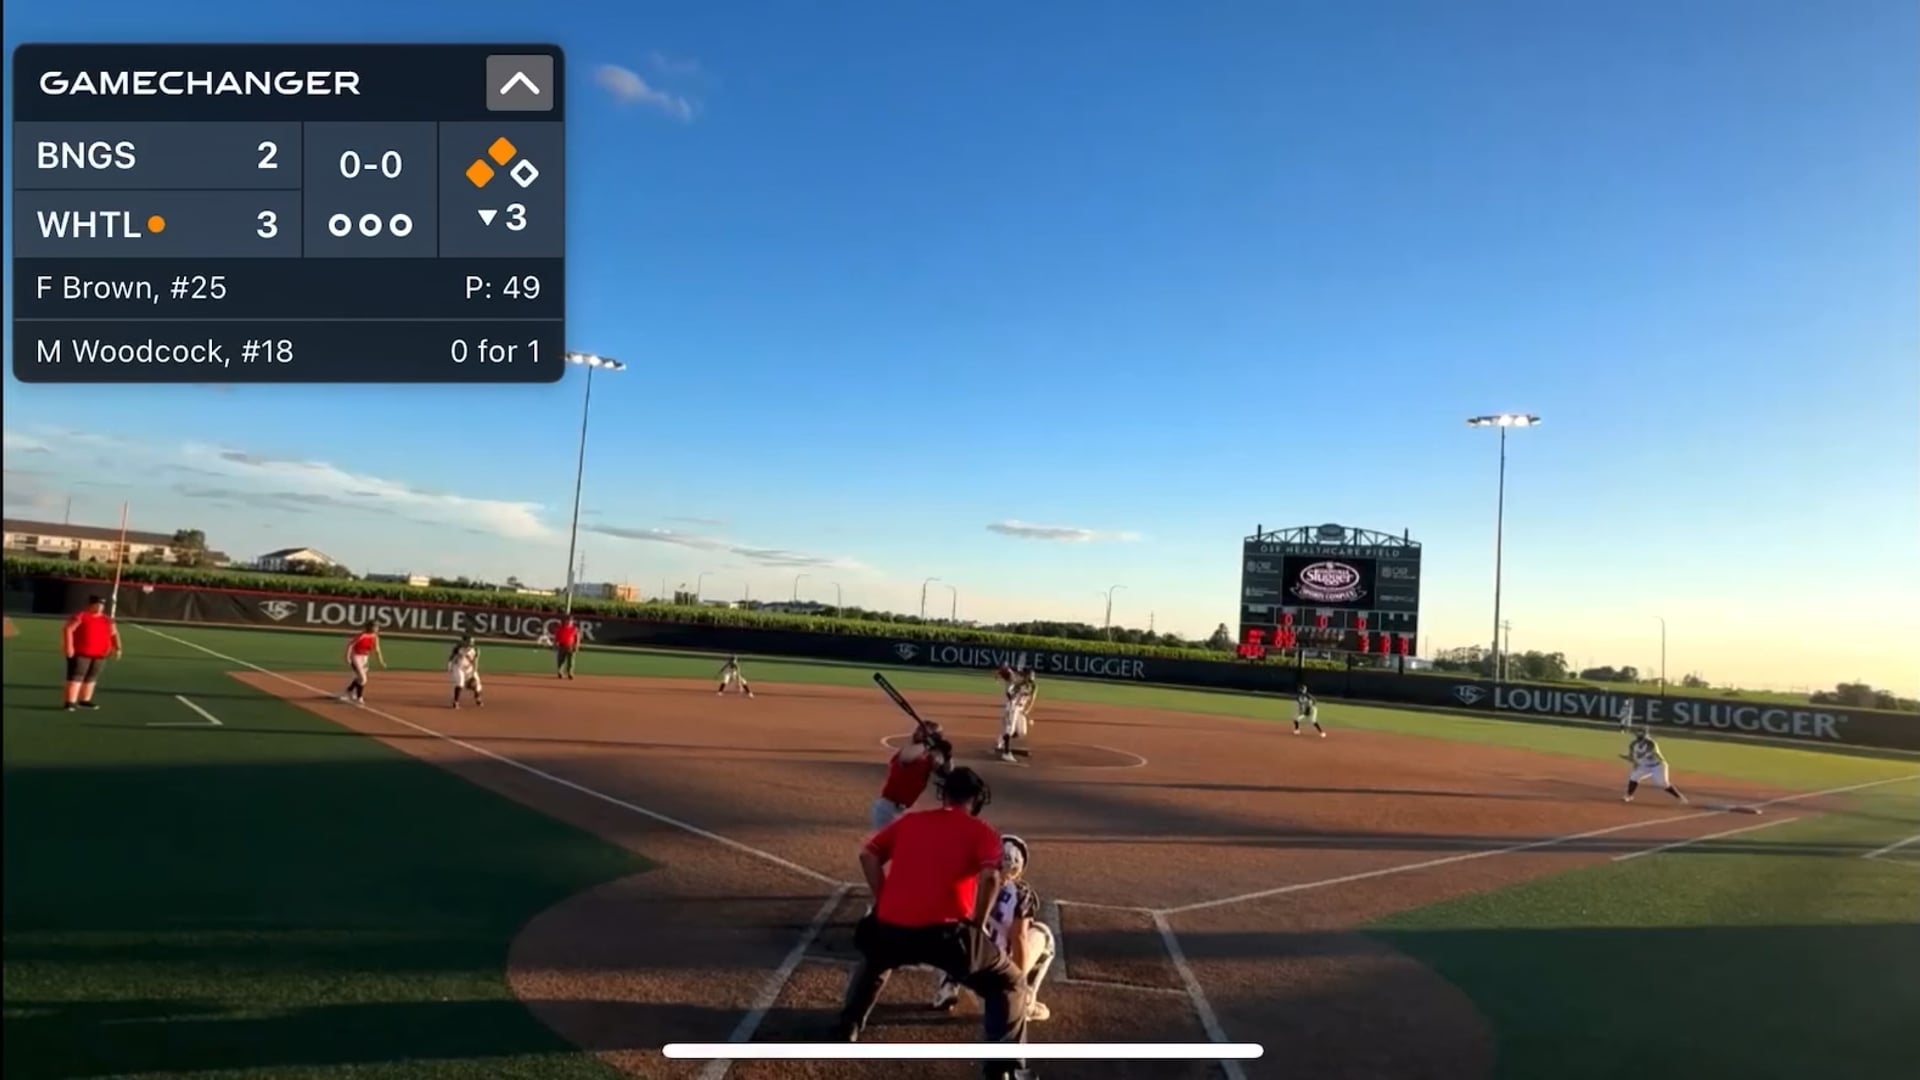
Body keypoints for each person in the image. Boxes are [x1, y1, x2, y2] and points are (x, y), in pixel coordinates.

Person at [835, 767, 1034, 1080]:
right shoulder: (982, 831)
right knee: (1009, 984)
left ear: (944, 794)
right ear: (976, 799)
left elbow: (867, 856)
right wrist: (977, 924)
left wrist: (884, 901)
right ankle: (1003, 1069)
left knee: (876, 959)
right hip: (947, 936)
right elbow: (991, 877)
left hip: (892, 929)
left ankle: (847, 1027)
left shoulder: (911, 821)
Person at [931, 835, 1056, 1022]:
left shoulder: (971, 880)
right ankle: (1024, 1002)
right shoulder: (1021, 895)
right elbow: (1019, 938)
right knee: (1044, 935)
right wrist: (1016, 982)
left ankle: (948, 985)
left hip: (966, 965)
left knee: (945, 927)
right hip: (997, 970)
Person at [872, 722, 952, 830]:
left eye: (922, 731)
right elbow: (906, 757)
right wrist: (928, 743)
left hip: (903, 810)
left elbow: (947, 772)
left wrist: (947, 755)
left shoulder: (928, 759)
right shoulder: (908, 751)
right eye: (918, 730)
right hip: (888, 809)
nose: (917, 733)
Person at [61, 595, 120, 712]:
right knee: (76, 677)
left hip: (100, 654)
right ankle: (70, 702)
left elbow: (114, 633)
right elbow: (68, 629)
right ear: (90, 605)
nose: (99, 607)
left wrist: (117, 647)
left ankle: (85, 700)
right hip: (81, 652)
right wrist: (69, 646)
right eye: (97, 605)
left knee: (91, 677)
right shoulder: (81, 616)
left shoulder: (107, 619)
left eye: (101, 605)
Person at [1622, 726, 1687, 804]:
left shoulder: (1651, 743)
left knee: (1663, 784)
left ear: (1646, 734)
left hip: (1658, 766)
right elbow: (1632, 757)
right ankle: (1629, 796)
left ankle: (1680, 797)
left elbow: (1649, 753)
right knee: (1634, 777)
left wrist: (1637, 759)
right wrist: (1628, 758)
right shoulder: (1633, 744)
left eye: (1641, 733)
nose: (1639, 735)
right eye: (1638, 733)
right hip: (1645, 766)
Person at [339, 621, 385, 706]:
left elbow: (377, 650)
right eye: (375, 627)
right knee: (363, 679)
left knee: (360, 678)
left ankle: (348, 691)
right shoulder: (362, 635)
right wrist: (347, 657)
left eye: (377, 627)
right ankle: (359, 697)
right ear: (370, 627)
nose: (377, 628)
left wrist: (381, 661)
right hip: (356, 657)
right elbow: (350, 645)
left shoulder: (375, 637)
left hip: (365, 658)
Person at [995, 680, 1032, 762]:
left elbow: (1024, 702)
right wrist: (1014, 693)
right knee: (1010, 730)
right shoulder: (1016, 685)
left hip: (1020, 710)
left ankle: (1003, 738)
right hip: (1012, 708)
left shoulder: (1028, 687)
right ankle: (1006, 753)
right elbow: (1009, 693)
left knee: (1022, 732)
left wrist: (1028, 716)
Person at [448, 634, 484, 709]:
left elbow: (475, 662)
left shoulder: (476, 650)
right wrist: (449, 666)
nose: (470, 644)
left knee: (477, 685)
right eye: (468, 642)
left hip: (469, 668)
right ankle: (456, 701)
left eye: (471, 643)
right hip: (458, 667)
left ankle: (478, 698)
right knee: (460, 682)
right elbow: (451, 658)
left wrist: (474, 672)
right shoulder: (458, 648)